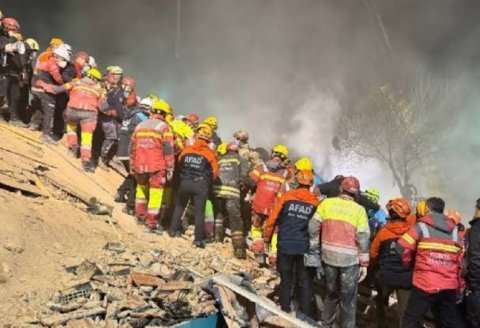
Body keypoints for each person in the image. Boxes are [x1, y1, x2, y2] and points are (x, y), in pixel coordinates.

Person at [398, 197, 464, 328]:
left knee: (411, 320)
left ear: (427, 209)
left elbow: (402, 246)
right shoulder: (456, 232)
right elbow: (461, 259)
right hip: (448, 286)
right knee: (447, 323)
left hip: (424, 283)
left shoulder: (421, 226)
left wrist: (409, 262)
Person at [316, 176, 370, 328]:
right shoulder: (359, 210)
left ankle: (326, 323)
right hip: (349, 261)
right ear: (356, 194)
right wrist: (364, 264)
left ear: (341, 189)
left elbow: (313, 227)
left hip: (328, 257)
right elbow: (363, 237)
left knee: (331, 293)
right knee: (348, 298)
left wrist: (314, 250)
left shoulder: (326, 203)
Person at [264, 170, 319, 316]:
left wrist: (266, 238)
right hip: (304, 246)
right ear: (311, 184)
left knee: (286, 278)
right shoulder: (315, 203)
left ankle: (284, 309)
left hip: (285, 244)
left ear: (297, 182)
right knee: (304, 281)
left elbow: (273, 218)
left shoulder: (287, 197)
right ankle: (304, 315)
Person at [168, 123, 218, 248]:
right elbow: (215, 173)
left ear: (196, 136)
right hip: (200, 185)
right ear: (209, 139)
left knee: (179, 206)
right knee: (199, 212)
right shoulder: (210, 153)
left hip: (185, 182)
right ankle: (198, 240)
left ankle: (172, 231)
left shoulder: (187, 150)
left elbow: (179, 163)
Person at [130, 97, 175, 232]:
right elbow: (168, 149)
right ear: (164, 114)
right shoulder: (164, 127)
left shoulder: (140, 125)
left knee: (141, 190)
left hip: (139, 163)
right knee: (155, 193)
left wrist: (132, 164)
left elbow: (132, 147)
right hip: (157, 165)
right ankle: (151, 224)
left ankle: (140, 216)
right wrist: (170, 167)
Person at [50, 68, 106, 172]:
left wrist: (44, 85)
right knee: (86, 138)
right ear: (95, 79)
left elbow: (58, 89)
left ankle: (72, 148)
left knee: (71, 128)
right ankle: (85, 161)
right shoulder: (99, 90)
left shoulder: (76, 82)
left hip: (72, 112)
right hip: (89, 115)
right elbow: (103, 107)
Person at [370, 197, 413, 328]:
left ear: (392, 214)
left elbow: (373, 254)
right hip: (406, 278)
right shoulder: (413, 232)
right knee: (405, 311)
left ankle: (381, 324)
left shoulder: (383, 232)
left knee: (381, 303)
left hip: (386, 276)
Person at [248, 144, 292, 265]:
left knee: (256, 227)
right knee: (275, 232)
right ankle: (273, 259)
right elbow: (290, 189)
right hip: (275, 208)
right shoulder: (286, 173)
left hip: (259, 204)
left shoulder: (261, 167)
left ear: (272, 154)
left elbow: (251, 181)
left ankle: (259, 252)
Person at [213, 142, 250, 259]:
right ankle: (238, 248)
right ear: (237, 150)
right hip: (232, 192)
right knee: (235, 219)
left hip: (217, 191)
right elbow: (244, 177)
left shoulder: (220, 159)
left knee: (219, 214)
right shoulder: (241, 159)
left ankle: (217, 237)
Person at [30, 43, 71, 143]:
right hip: (45, 90)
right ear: (59, 57)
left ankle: (34, 125)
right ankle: (46, 135)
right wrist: (66, 86)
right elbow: (58, 79)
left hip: (35, 88)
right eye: (64, 60)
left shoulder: (44, 62)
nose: (63, 63)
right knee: (49, 112)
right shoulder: (53, 65)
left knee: (39, 108)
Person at [114, 96, 150, 214]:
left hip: (121, 149)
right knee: (137, 177)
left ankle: (120, 193)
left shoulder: (132, 113)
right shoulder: (142, 118)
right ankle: (129, 206)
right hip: (130, 151)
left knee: (133, 174)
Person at [98, 68, 124, 169]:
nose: (117, 78)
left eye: (119, 76)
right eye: (115, 75)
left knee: (118, 137)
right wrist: (109, 111)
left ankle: (107, 158)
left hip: (111, 116)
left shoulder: (118, 89)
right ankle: (102, 158)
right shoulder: (102, 84)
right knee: (111, 135)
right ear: (109, 74)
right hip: (100, 113)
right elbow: (101, 102)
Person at [465, 198, 480, 327]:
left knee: (474, 319)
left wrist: (473, 283)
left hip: (477, 284)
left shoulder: (476, 228)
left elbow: (474, 256)